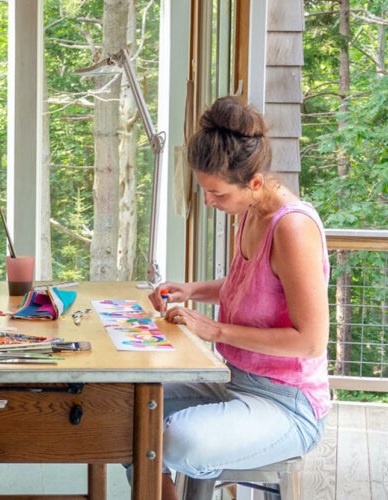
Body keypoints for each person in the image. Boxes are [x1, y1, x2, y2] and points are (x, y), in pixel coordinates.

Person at [145, 96, 330, 500]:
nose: (209, 202)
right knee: (129, 410)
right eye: (204, 190)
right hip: (231, 379)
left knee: (178, 442)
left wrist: (215, 330)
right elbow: (249, 285)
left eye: (218, 194)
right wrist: (192, 290)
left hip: (288, 402)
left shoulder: (292, 228)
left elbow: (311, 340)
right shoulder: (249, 212)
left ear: (256, 183)